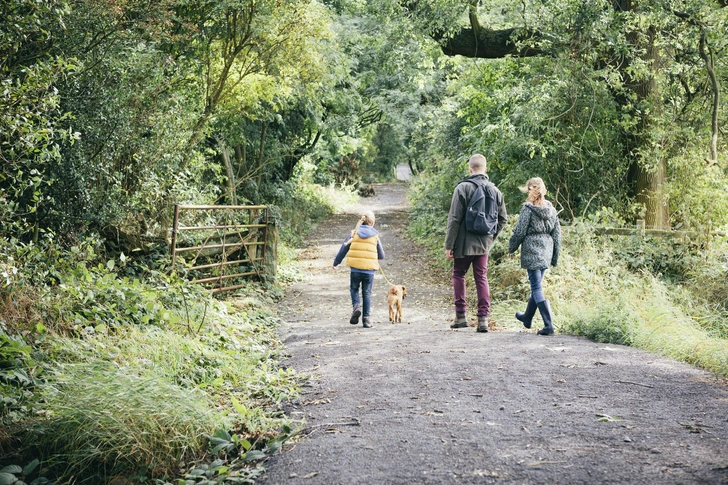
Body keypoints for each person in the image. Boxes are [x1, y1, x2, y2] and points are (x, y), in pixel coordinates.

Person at [444, 154, 508, 333]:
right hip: (483, 245)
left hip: (463, 243)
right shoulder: (495, 191)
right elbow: (503, 219)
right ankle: (483, 320)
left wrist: (449, 244)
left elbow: (454, 219)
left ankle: (461, 316)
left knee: (458, 274)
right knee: (481, 277)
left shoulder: (462, 188)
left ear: (470, 169)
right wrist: (490, 238)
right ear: (485, 169)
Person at [508, 177, 562, 335]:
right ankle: (527, 317)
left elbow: (519, 231)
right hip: (546, 250)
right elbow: (557, 235)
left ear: (530, 190)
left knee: (536, 287)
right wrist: (555, 257)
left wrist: (511, 247)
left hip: (532, 250)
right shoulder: (551, 209)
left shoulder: (528, 209)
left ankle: (548, 325)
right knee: (536, 286)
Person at [333, 211, 385, 328]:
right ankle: (366, 319)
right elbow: (381, 255)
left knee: (354, 289)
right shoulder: (375, 236)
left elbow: (343, 249)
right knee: (367, 293)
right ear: (372, 223)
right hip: (369, 271)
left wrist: (336, 263)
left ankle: (356, 306)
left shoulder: (353, 234)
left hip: (355, 269)